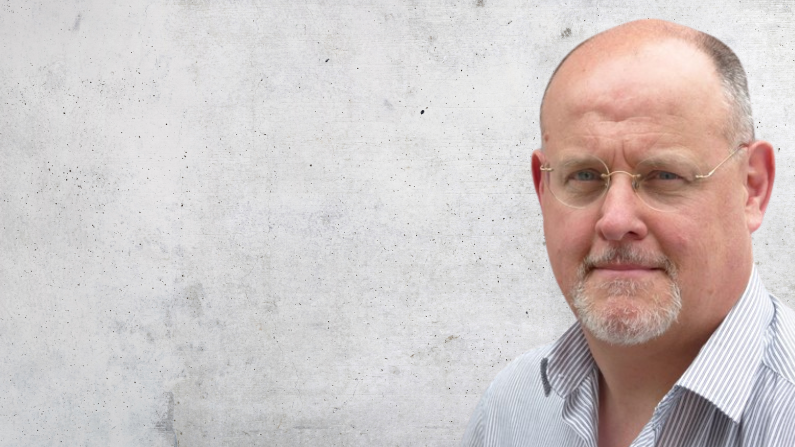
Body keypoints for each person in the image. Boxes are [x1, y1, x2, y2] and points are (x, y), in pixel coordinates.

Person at [461, 19, 795, 447]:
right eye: (584, 175)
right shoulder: (512, 410)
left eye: (664, 175)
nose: (615, 220)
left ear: (752, 187)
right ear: (543, 189)